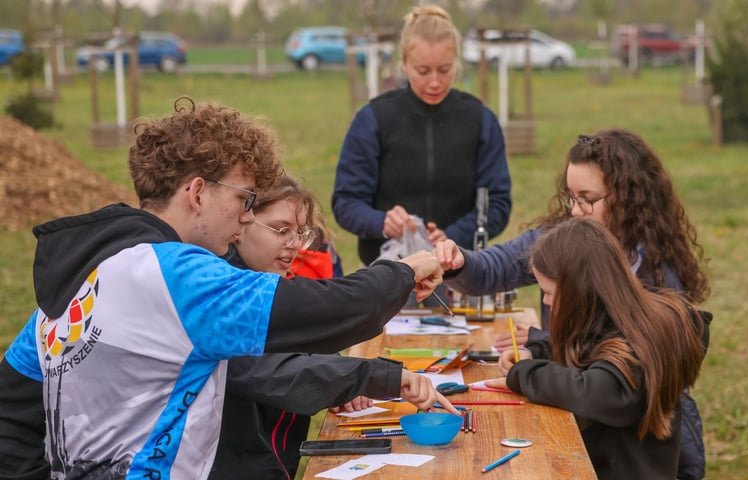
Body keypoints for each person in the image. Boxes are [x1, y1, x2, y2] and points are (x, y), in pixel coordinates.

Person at [0, 96, 455, 479]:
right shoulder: (178, 275)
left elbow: (10, 411)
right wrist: (408, 267)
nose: (244, 217)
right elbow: (329, 310)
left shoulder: (81, 277)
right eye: (244, 200)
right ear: (198, 192)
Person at [435, 128, 710, 479]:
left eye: (587, 199)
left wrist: (528, 370)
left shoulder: (653, 302)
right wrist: (542, 345)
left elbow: (604, 381)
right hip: (591, 436)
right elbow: (593, 341)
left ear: (626, 197)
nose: (575, 211)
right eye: (571, 197)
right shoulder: (564, 242)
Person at [212, 175, 418, 480]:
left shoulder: (272, 287)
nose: (294, 245)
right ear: (242, 222)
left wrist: (338, 376)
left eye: (299, 234)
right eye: (281, 230)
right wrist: (367, 377)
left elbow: (306, 343)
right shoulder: (223, 297)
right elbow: (273, 373)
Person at [483, 218, 710, 480]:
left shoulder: (639, 349)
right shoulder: (622, 320)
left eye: (548, 292)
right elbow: (589, 342)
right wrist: (538, 350)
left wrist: (524, 374)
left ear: (579, 291)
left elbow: (590, 392)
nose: (545, 301)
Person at [331, 3, 512, 266]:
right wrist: (382, 222)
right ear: (404, 64)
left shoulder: (481, 120)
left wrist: (452, 237)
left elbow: (497, 204)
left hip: (458, 270)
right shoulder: (372, 119)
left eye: (445, 69)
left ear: (457, 63)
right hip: (387, 275)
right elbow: (346, 202)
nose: (435, 82)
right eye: (423, 71)